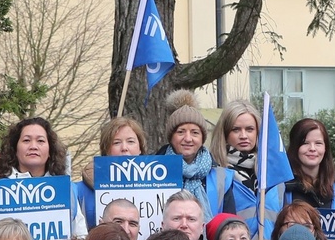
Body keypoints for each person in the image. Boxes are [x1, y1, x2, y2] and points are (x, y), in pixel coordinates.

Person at [155, 91, 255, 222]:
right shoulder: (153, 171)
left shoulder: (221, 177)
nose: (188, 138)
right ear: (171, 137)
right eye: (181, 132)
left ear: (202, 138)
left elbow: (228, 224)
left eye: (195, 133)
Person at [0, 117, 87, 237]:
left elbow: (80, 236)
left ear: (50, 150)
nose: (33, 146)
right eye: (26, 140)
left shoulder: (66, 190)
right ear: (14, 149)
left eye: (40, 141)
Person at [261, 118, 335, 240]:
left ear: (326, 148)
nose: (312, 148)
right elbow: (268, 237)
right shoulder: (281, 188)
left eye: (318, 143)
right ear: (295, 147)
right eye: (305, 143)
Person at [77, 117, 146, 227]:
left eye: (130, 141)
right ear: (106, 150)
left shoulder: (162, 185)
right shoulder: (80, 191)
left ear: (140, 148)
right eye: (117, 142)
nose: (124, 148)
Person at [210, 100, 263, 193]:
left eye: (249, 129)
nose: (243, 136)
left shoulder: (268, 169)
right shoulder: (211, 169)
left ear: (258, 132)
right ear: (225, 133)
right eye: (236, 130)